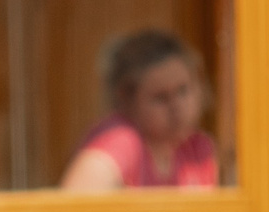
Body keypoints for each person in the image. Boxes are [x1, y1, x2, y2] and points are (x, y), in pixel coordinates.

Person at [59, 29, 220, 191]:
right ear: (126, 100)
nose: (176, 107)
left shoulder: (197, 148)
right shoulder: (120, 140)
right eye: (160, 97)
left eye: (183, 90)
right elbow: (75, 204)